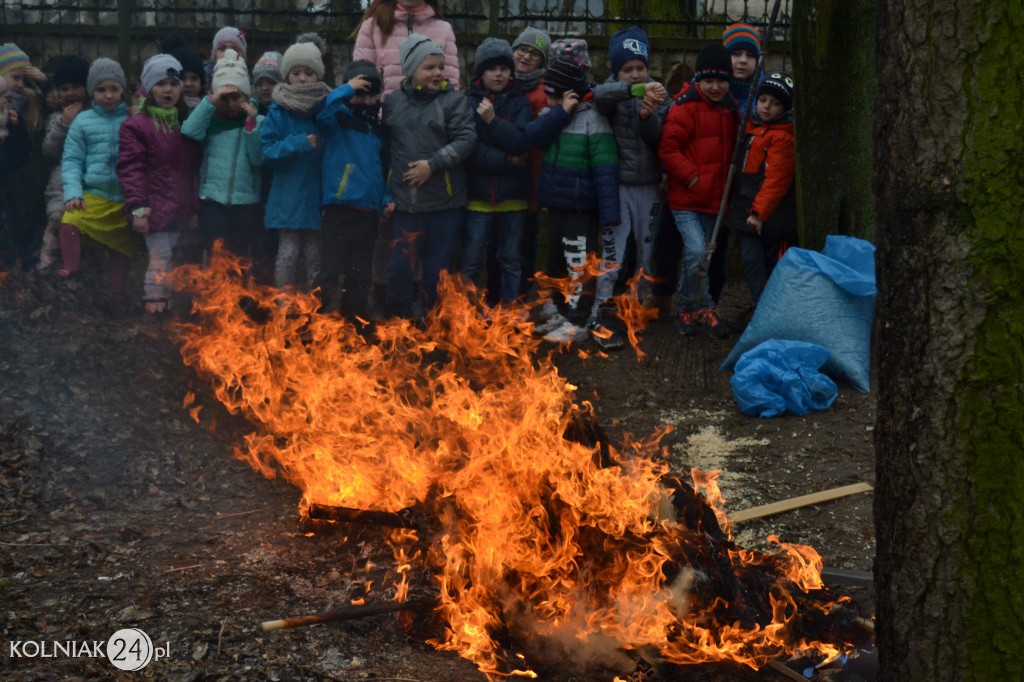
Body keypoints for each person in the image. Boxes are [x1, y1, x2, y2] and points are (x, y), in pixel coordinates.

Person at [528, 39, 620, 345]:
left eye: (553, 96)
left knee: (578, 265)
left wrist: (609, 214)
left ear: (571, 94)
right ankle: (559, 312)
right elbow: (535, 140)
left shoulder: (594, 120)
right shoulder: (552, 116)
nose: (548, 101)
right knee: (554, 261)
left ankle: (578, 320)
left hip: (582, 209)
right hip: (556, 204)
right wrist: (559, 113)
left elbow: (606, 169)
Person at [382, 34, 476, 319]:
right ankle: (399, 319)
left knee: (438, 270)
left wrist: (432, 165)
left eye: (440, 66)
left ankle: (432, 319)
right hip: (406, 206)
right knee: (400, 267)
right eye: (429, 67)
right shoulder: (393, 103)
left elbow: (467, 140)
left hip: (444, 206)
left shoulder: (454, 102)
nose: (437, 73)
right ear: (412, 72)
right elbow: (384, 151)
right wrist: (386, 193)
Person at [590, 26, 667, 350]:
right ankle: (599, 311)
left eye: (640, 68)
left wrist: (649, 114)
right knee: (613, 254)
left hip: (649, 186)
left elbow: (659, 137)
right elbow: (599, 97)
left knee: (646, 254)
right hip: (617, 187)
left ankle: (631, 309)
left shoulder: (657, 94)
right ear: (616, 70)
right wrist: (630, 90)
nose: (636, 74)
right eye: (628, 69)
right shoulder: (612, 91)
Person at [658, 43, 738, 338]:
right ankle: (685, 305)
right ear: (697, 81)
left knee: (705, 258)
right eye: (709, 81)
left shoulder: (730, 109)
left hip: (716, 200)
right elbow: (668, 148)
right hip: (687, 199)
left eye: (721, 81)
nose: (715, 87)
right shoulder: (685, 107)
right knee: (695, 251)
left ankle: (702, 306)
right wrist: (693, 178)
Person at [116, 54, 202, 314]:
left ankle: (172, 306)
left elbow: (193, 169)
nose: (168, 90)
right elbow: (132, 170)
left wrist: (194, 208)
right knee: (159, 258)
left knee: (176, 259)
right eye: (161, 83)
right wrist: (139, 209)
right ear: (149, 88)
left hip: (180, 207)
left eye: (173, 84)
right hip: (153, 207)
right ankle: (154, 306)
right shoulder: (137, 127)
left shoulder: (186, 125)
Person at [181, 49, 271, 279]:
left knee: (239, 258)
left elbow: (257, 159)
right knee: (215, 258)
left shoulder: (257, 121)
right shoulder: (210, 119)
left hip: (245, 203)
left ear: (246, 96)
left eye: (236, 97)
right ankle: (214, 306)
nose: (231, 104)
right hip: (214, 201)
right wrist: (211, 101)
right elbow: (189, 131)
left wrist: (251, 126)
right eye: (225, 98)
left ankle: (236, 307)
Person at [315, 60, 393, 318]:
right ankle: (308, 319)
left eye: (372, 94)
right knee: (329, 271)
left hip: (368, 212)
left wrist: (386, 198)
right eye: (361, 93)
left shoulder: (378, 130)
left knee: (360, 274)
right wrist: (347, 89)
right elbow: (321, 113)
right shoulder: (337, 120)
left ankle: (355, 324)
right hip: (339, 209)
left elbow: (379, 169)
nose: (367, 101)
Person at [461, 38, 532, 306]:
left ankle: (511, 309)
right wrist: (508, 160)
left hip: (513, 198)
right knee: (470, 258)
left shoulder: (520, 104)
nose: (499, 74)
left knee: (511, 259)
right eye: (492, 69)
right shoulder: (467, 104)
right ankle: (465, 313)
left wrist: (492, 121)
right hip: (478, 197)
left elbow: (522, 143)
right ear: (481, 73)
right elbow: (471, 150)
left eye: (504, 68)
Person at [58, 57, 138, 293]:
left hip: (126, 199)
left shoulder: (133, 120)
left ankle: (116, 295)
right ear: (92, 91)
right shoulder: (82, 121)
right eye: (101, 89)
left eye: (114, 88)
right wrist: (73, 192)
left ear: (123, 89)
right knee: (70, 221)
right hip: (93, 195)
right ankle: (71, 267)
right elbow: (72, 160)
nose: (109, 95)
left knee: (121, 248)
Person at [260, 40, 331, 290]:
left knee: (315, 256)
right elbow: (266, 152)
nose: (302, 79)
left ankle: (315, 309)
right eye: (296, 73)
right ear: (287, 76)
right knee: (288, 254)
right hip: (287, 198)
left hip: (317, 195)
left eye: (309, 73)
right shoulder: (277, 112)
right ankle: (284, 307)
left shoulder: (326, 109)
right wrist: (297, 144)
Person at [726, 72, 796, 309]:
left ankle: (766, 305)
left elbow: (776, 180)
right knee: (749, 259)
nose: (767, 107)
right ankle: (759, 302)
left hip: (765, 215)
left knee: (765, 261)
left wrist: (759, 213)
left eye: (775, 104)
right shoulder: (750, 127)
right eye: (764, 100)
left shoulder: (782, 138)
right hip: (744, 207)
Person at [506, 26, 551, 299]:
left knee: (526, 240)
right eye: (522, 49)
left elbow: (538, 147)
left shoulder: (543, 93)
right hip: (502, 177)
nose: (525, 57)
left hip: (530, 176)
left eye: (534, 54)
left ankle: (524, 290)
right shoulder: (499, 81)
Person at [39, 55, 90, 271]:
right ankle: (46, 265)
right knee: (57, 220)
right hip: (61, 186)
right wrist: (64, 126)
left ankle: (83, 267)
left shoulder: (95, 115)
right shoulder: (55, 118)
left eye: (76, 87)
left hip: (89, 183)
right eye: (64, 88)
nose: (70, 93)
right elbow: (49, 153)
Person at [352, 0, 460, 99]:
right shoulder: (372, 27)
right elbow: (362, 81)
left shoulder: (444, 29)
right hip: (386, 116)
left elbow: (451, 84)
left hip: (434, 117)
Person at [0, 77, 32, 268]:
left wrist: (17, 126)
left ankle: (16, 259)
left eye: (4, 95)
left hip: (9, 184)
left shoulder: (10, 122)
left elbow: (23, 151)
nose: (3, 101)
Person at [160, 35, 207, 111]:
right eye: (182, 78)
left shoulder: (209, 109)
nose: (188, 83)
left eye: (194, 78)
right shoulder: (161, 112)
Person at [252, 51, 283, 116]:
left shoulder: (291, 112)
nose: (265, 88)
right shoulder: (250, 112)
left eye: (271, 82)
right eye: (259, 83)